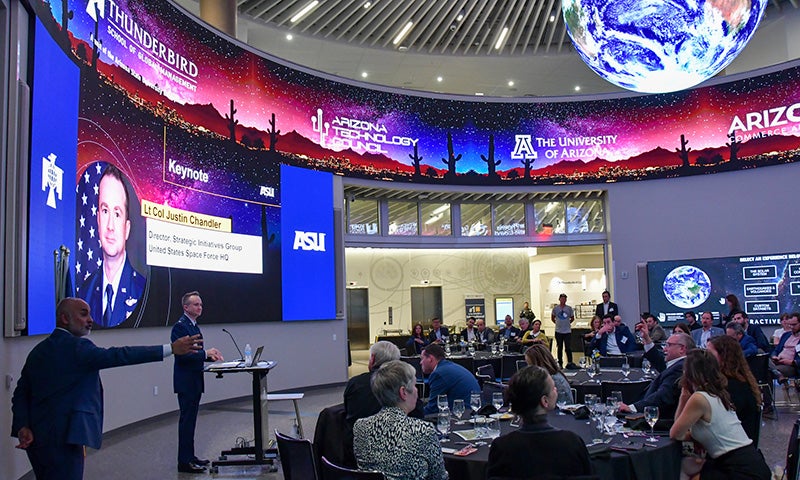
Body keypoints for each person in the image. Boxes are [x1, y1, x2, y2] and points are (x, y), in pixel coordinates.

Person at [11, 297, 202, 480]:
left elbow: (21, 392)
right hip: (64, 438)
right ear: (65, 318)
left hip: (37, 439)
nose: (90, 320)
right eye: (84, 314)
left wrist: (23, 425)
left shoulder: (39, 350)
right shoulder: (77, 347)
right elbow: (119, 356)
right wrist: (169, 349)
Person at [670, 349, 770, 480]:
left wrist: (683, 398)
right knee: (689, 467)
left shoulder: (699, 398)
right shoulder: (718, 394)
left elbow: (675, 433)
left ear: (688, 373)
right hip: (750, 463)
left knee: (686, 472)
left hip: (739, 470)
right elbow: (683, 432)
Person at [486, 366, 592, 479]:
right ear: (545, 401)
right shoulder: (571, 443)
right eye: (553, 388)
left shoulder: (501, 447)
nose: (556, 390)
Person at [353, 361, 448, 480]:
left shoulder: (361, 426)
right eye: (414, 385)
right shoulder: (422, 430)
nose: (416, 391)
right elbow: (439, 477)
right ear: (403, 392)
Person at [80, 164, 146, 328]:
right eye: (105, 211)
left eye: (117, 214)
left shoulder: (140, 289)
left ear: (127, 228)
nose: (110, 225)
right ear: (98, 219)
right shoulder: (85, 291)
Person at [344, 342, 423, 467]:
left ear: (373, 359)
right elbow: (419, 418)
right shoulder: (406, 386)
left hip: (357, 459)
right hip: (402, 459)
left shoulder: (355, 384)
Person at [171, 291, 224, 474]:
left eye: (200, 304)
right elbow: (184, 355)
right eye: (195, 305)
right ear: (186, 307)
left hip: (194, 380)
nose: (199, 307)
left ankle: (190, 457)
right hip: (186, 381)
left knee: (191, 422)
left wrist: (211, 357)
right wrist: (205, 353)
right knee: (186, 422)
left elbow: (197, 355)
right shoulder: (180, 327)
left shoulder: (194, 326)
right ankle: (184, 462)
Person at [619, 327, 696, 418]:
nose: (664, 349)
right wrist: (647, 339)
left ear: (682, 349)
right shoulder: (678, 364)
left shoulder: (680, 368)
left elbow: (663, 397)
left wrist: (632, 408)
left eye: (668, 345)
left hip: (658, 419)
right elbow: (660, 362)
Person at [707, 335, 762, 443]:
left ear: (724, 357)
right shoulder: (742, 381)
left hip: (733, 448)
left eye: (709, 354)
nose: (706, 358)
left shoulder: (732, 387)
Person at [420, 344, 480, 414]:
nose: (420, 362)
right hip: (472, 409)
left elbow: (432, 409)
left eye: (422, 359)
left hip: (464, 414)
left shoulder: (438, 374)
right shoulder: (449, 366)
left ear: (430, 358)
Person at [771, 312, 800, 378]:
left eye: (794, 325)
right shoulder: (786, 335)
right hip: (779, 361)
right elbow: (776, 350)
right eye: (790, 325)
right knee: (761, 360)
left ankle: (778, 374)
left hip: (792, 365)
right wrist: (774, 356)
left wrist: (792, 362)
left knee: (771, 371)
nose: (791, 327)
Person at [551, 293, 575, 367]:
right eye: (562, 299)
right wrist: (557, 323)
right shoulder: (555, 308)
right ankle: (560, 362)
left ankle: (570, 362)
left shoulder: (569, 308)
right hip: (558, 331)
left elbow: (572, 318)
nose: (563, 300)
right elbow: (552, 317)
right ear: (559, 299)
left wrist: (567, 323)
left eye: (564, 299)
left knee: (568, 347)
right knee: (559, 347)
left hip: (567, 331)